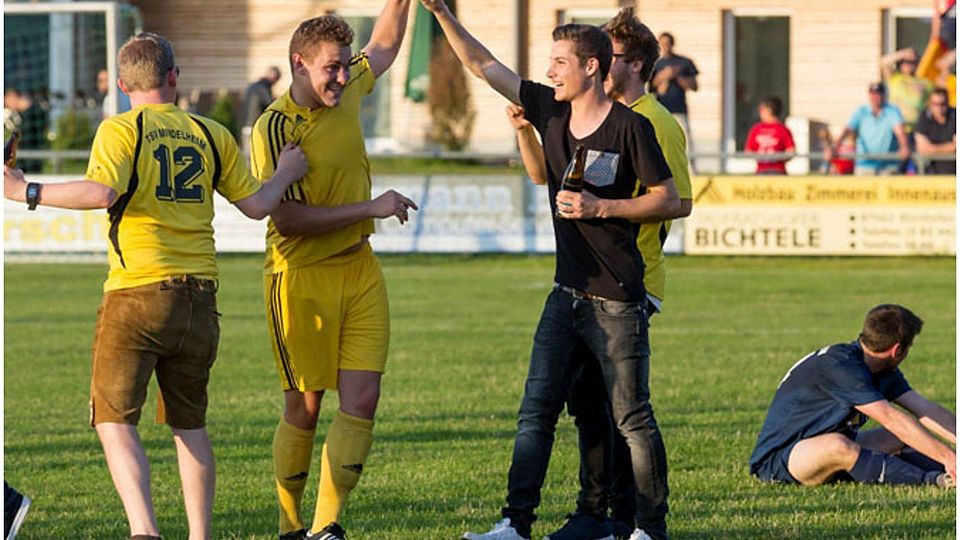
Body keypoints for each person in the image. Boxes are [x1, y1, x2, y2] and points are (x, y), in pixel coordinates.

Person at [3, 33, 308, 540]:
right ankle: (199, 535)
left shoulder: (121, 129)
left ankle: (145, 532)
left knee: (113, 420)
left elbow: (103, 192)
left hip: (138, 292)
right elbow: (258, 206)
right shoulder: (211, 132)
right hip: (201, 300)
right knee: (189, 426)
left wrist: (23, 190)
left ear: (122, 85)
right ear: (174, 77)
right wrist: (284, 172)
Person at [419, 2, 681, 540]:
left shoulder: (634, 127)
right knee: (535, 412)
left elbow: (670, 199)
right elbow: (483, 65)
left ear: (592, 68)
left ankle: (649, 530)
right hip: (566, 295)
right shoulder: (549, 110)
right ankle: (515, 525)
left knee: (632, 421)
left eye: (560, 61)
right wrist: (442, 12)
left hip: (619, 300)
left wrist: (601, 208)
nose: (550, 70)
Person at [504, 9, 692, 538]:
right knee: (588, 409)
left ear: (630, 65)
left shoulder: (650, 123)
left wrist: (603, 210)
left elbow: (680, 203)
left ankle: (629, 520)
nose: (600, 62)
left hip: (632, 283)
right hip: (576, 286)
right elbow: (549, 176)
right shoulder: (578, 116)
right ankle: (597, 515)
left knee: (623, 415)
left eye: (608, 53)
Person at [248, 4, 416, 540]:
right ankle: (289, 524)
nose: (344, 77)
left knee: (363, 398)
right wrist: (370, 208)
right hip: (300, 278)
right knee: (305, 404)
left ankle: (327, 526)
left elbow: (385, 46)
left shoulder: (347, 90)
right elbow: (289, 219)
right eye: (332, 69)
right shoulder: (273, 128)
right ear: (300, 64)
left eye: (346, 66)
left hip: (359, 269)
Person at [749, 304, 956, 488]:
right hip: (782, 459)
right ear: (897, 349)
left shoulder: (882, 370)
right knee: (838, 446)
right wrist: (947, 456)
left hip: (826, 446)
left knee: (906, 434)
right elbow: (892, 419)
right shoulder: (841, 366)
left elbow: (926, 409)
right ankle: (935, 480)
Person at [828, 82, 910, 176]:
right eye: (873, 94)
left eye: (879, 93)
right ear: (869, 95)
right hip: (865, 165)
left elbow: (900, 132)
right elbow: (847, 130)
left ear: (884, 95)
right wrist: (834, 147)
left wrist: (904, 146)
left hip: (887, 165)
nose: (876, 97)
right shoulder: (861, 111)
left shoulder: (892, 111)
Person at [650, 32, 698, 172]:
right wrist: (663, 77)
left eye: (667, 43)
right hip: (661, 110)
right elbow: (651, 88)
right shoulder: (655, 64)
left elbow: (694, 86)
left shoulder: (684, 63)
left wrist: (676, 76)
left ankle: (691, 172)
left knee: (686, 141)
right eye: (662, 44)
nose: (665, 47)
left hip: (679, 109)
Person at [879, 48, 933, 133]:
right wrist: (903, 54)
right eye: (906, 62)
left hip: (916, 129)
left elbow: (932, 106)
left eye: (912, 62)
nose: (909, 65)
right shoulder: (894, 78)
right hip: (894, 128)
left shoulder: (926, 84)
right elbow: (883, 62)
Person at [743, 96, 795, 175]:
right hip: (761, 171)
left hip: (778, 171)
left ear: (769, 110)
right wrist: (760, 156)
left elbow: (791, 151)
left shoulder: (783, 129)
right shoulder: (756, 129)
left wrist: (777, 157)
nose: (760, 112)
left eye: (762, 109)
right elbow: (748, 151)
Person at [914, 88, 956, 174]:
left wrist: (932, 149)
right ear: (930, 104)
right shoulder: (924, 117)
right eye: (935, 104)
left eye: (942, 104)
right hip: (931, 172)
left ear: (948, 103)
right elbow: (922, 149)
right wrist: (949, 147)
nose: (939, 107)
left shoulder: (955, 116)